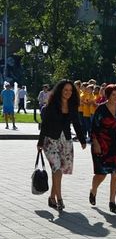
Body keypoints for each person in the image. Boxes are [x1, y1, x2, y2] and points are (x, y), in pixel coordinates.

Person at [37, 80, 86, 211]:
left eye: (70, 90)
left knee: (59, 172)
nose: (68, 93)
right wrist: (40, 142)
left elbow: (77, 123)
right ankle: (59, 199)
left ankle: (52, 197)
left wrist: (82, 140)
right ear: (60, 91)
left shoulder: (72, 105)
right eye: (65, 90)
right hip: (50, 141)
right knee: (57, 169)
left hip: (65, 142)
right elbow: (45, 125)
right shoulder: (51, 106)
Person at [89, 84, 116, 214]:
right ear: (108, 95)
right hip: (102, 145)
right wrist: (96, 143)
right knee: (101, 174)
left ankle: (112, 201)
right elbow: (94, 128)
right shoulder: (101, 109)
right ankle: (93, 190)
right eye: (113, 95)